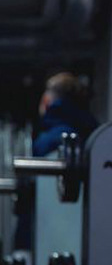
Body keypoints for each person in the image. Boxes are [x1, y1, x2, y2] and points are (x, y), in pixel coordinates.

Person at [14, 72, 98, 253]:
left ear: (46, 101)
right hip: (87, 235)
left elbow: (33, 196)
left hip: (48, 233)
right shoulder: (93, 137)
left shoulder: (48, 141)